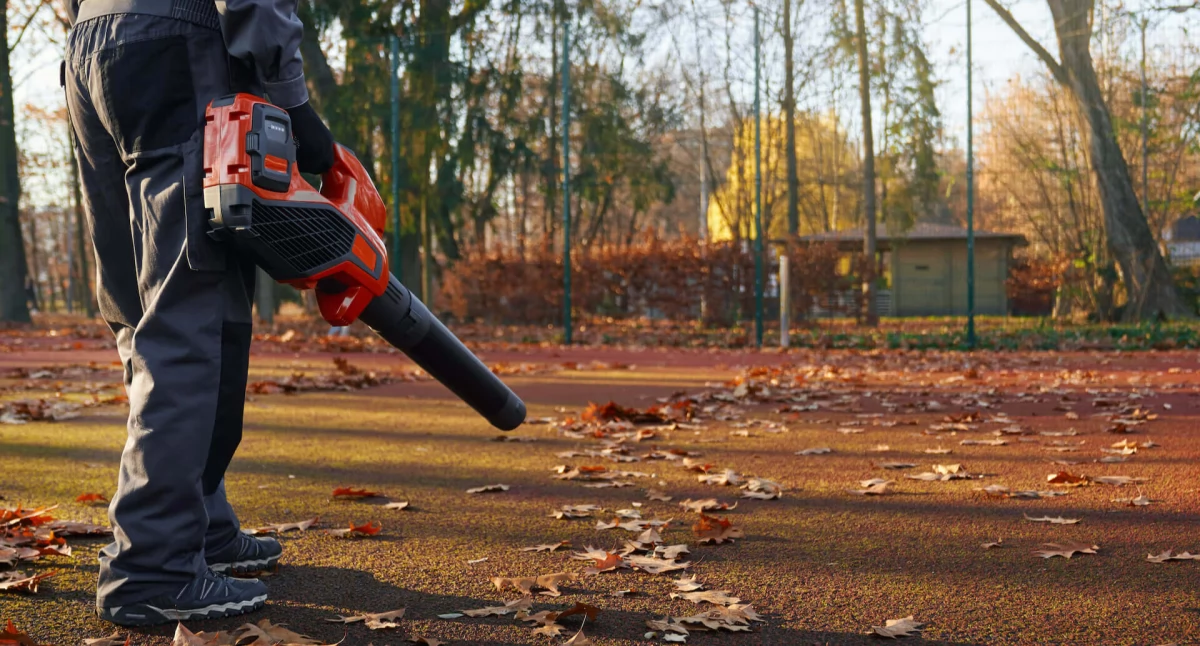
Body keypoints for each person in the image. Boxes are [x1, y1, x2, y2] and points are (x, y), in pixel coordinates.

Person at [63, 0, 335, 626]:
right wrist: (292, 101)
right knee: (191, 308)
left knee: (139, 303)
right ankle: (153, 566)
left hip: (88, 46)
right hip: (175, 39)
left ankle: (198, 525)